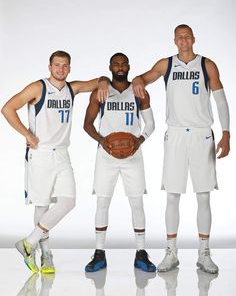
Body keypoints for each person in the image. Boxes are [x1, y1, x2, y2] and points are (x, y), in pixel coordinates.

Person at [131, 24, 230, 274]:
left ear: (194, 39)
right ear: (174, 41)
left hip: (201, 134)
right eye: (179, 37)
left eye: (187, 36)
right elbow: (145, 77)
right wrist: (136, 80)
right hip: (175, 134)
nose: (184, 40)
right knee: (172, 195)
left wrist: (227, 133)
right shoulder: (167, 64)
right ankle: (171, 252)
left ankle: (204, 253)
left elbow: (220, 100)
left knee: (204, 196)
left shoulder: (207, 65)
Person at [1, 50, 108, 274]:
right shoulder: (37, 88)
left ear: (69, 68)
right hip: (40, 154)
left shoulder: (72, 88)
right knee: (42, 206)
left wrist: (105, 82)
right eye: (57, 65)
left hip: (62, 153)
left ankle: (28, 243)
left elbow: (97, 81)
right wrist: (27, 134)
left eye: (65, 65)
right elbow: (7, 108)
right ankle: (46, 256)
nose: (61, 69)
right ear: (49, 67)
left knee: (68, 201)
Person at [83, 52, 156, 273]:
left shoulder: (139, 92)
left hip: (132, 155)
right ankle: (99, 253)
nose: (120, 67)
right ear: (110, 67)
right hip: (106, 155)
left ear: (129, 66)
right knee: (102, 203)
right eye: (116, 64)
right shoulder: (100, 92)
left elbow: (150, 124)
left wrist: (139, 140)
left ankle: (141, 253)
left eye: (124, 63)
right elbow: (87, 124)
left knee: (137, 203)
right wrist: (102, 141)